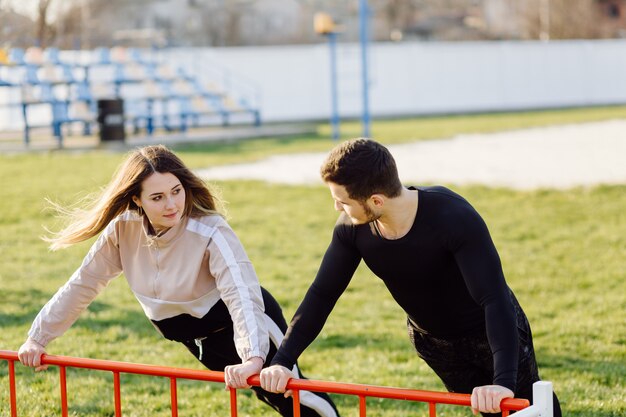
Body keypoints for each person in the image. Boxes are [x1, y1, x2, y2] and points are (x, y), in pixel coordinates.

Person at [17, 145, 339, 417]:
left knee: (290, 396)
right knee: (267, 397)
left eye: (176, 191)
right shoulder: (122, 229)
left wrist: (253, 357)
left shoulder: (210, 229)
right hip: (197, 342)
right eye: (157, 197)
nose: (172, 204)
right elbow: (83, 284)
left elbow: (241, 295)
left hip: (245, 326)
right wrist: (38, 338)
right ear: (136, 199)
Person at [259, 138, 562, 417]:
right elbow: (322, 294)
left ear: (376, 201)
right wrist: (283, 360)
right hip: (433, 342)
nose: (337, 207)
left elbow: (493, 299)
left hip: (490, 328)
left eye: (343, 200)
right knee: (490, 412)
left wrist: (503, 382)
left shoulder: (452, 216)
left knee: (528, 405)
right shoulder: (351, 228)